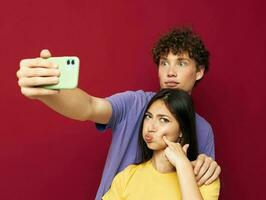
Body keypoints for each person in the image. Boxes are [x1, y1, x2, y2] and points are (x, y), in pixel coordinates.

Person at [16, 27, 221, 199]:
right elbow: (89, 106)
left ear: (199, 71)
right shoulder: (135, 103)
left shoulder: (203, 130)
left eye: (181, 62)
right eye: (164, 62)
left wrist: (206, 167)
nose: (170, 72)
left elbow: (201, 182)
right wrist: (50, 90)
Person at [103, 89, 220, 200]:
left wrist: (183, 166)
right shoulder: (127, 176)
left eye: (163, 120)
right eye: (148, 116)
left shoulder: (204, 178)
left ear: (182, 131)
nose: (150, 127)